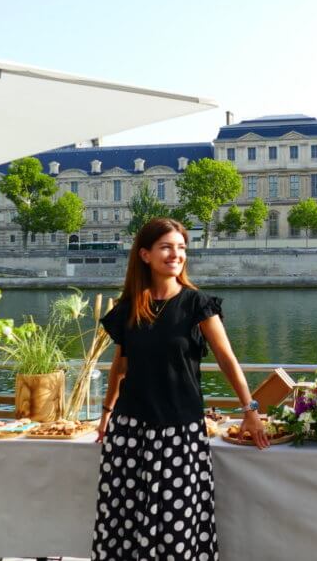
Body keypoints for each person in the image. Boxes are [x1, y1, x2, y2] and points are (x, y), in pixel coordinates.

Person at [92, 217, 268, 560]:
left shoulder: (196, 304)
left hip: (179, 431)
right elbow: (121, 366)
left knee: (176, 528)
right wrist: (106, 414)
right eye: (167, 247)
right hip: (130, 430)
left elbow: (227, 360)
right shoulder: (129, 307)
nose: (176, 254)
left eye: (182, 248)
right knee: (126, 522)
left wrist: (251, 411)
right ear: (145, 255)